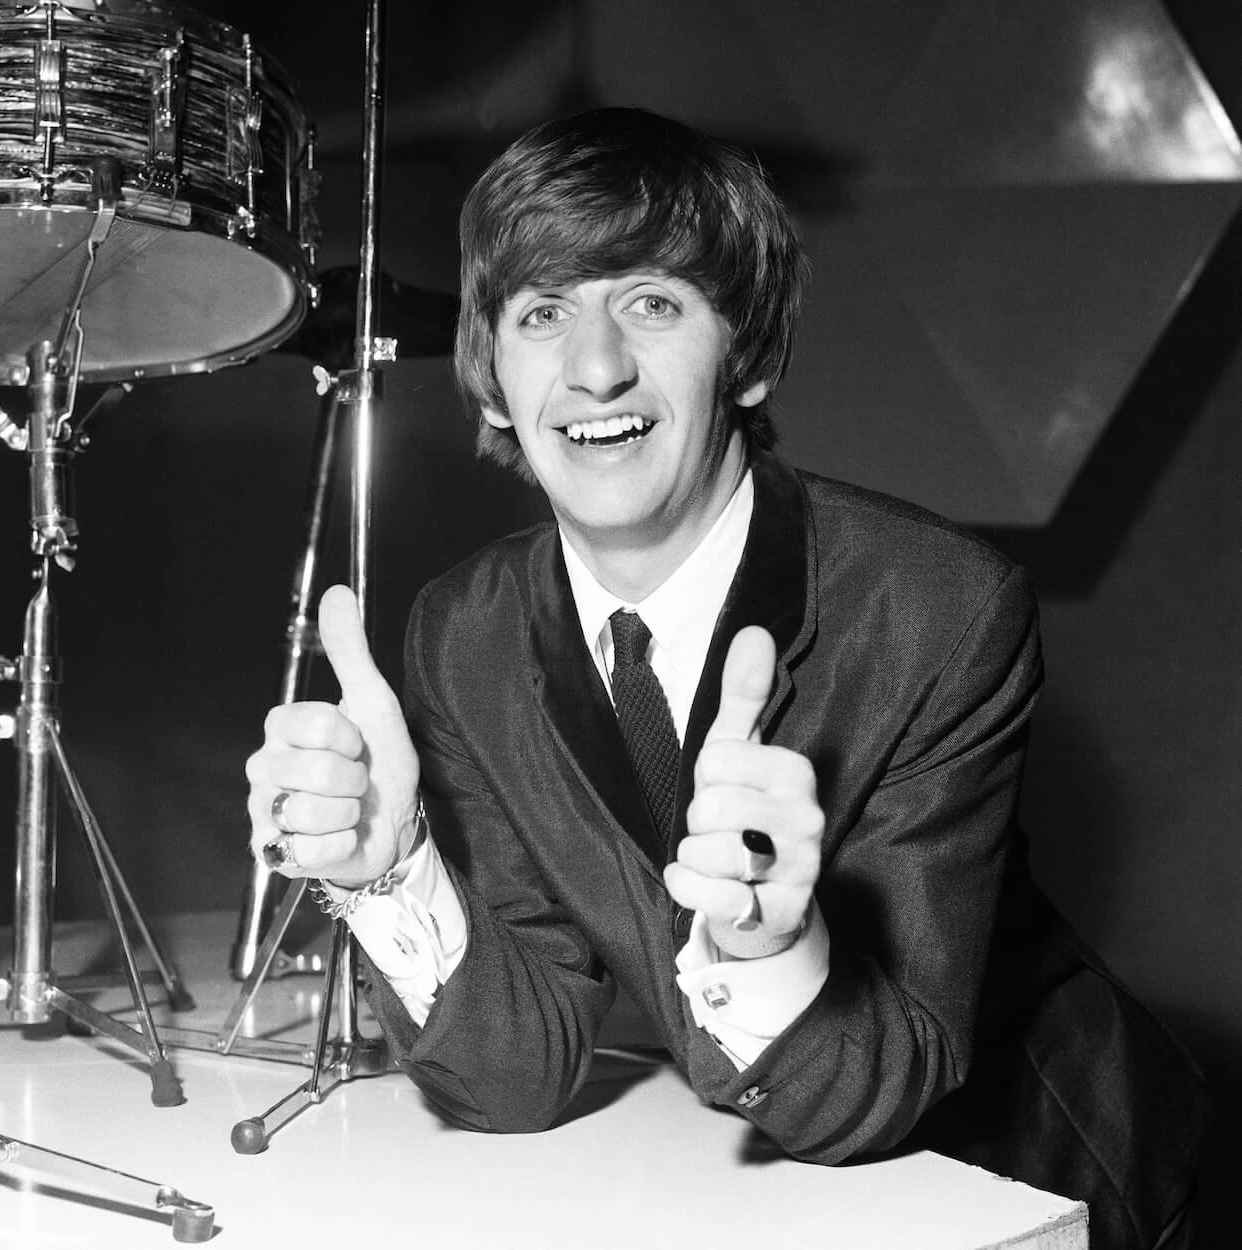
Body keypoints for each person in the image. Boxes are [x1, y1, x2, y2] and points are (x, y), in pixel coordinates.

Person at [245, 108, 1207, 1249]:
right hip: (760, 1187)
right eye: (543, 313)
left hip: (1035, 1181)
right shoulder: (467, 633)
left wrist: (766, 950)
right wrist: (388, 873)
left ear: (744, 354)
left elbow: (883, 1073)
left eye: (652, 302)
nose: (595, 366)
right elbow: (516, 1074)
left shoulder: (942, 605)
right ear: (492, 381)